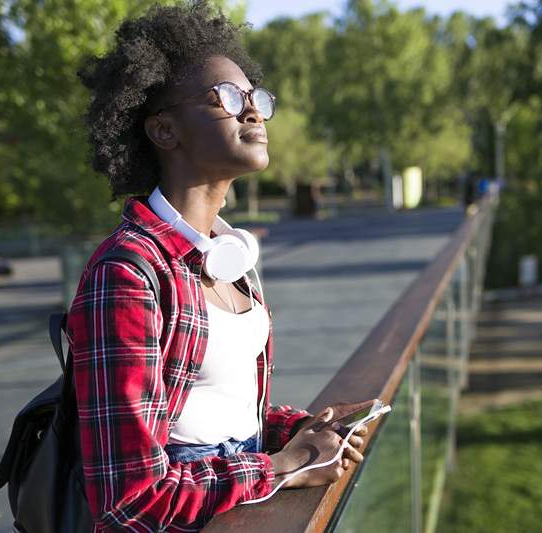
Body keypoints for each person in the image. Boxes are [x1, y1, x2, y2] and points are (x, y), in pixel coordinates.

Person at [68, 2, 372, 530]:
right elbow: (130, 499)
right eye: (228, 98)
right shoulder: (128, 273)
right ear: (164, 131)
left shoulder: (230, 256)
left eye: (256, 99)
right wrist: (282, 466)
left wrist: (294, 428)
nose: (252, 111)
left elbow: (205, 414)